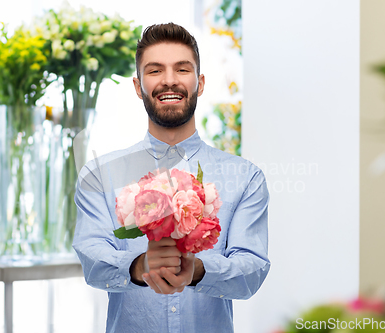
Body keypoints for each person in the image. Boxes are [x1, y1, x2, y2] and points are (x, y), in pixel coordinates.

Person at [73, 22, 270, 333]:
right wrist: (139, 267)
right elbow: (92, 260)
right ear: (138, 87)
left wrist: (200, 270)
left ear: (199, 83)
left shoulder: (245, 177)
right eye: (155, 71)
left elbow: (253, 269)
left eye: (182, 70)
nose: (169, 81)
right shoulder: (100, 175)